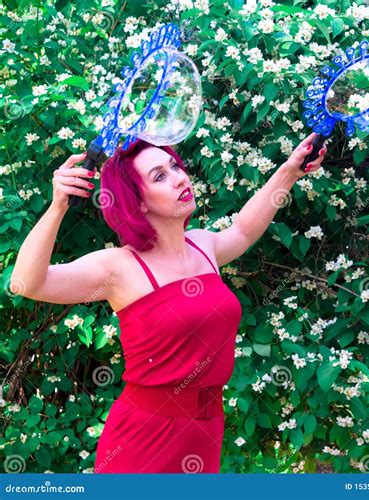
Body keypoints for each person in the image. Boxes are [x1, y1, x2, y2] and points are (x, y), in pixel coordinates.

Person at [10, 132, 327, 473]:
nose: (179, 178)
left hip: (205, 429)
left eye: (175, 167)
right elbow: (27, 283)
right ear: (138, 202)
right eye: (160, 176)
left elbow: (244, 231)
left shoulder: (204, 245)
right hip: (144, 438)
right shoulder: (119, 266)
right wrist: (58, 206)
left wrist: (290, 172)